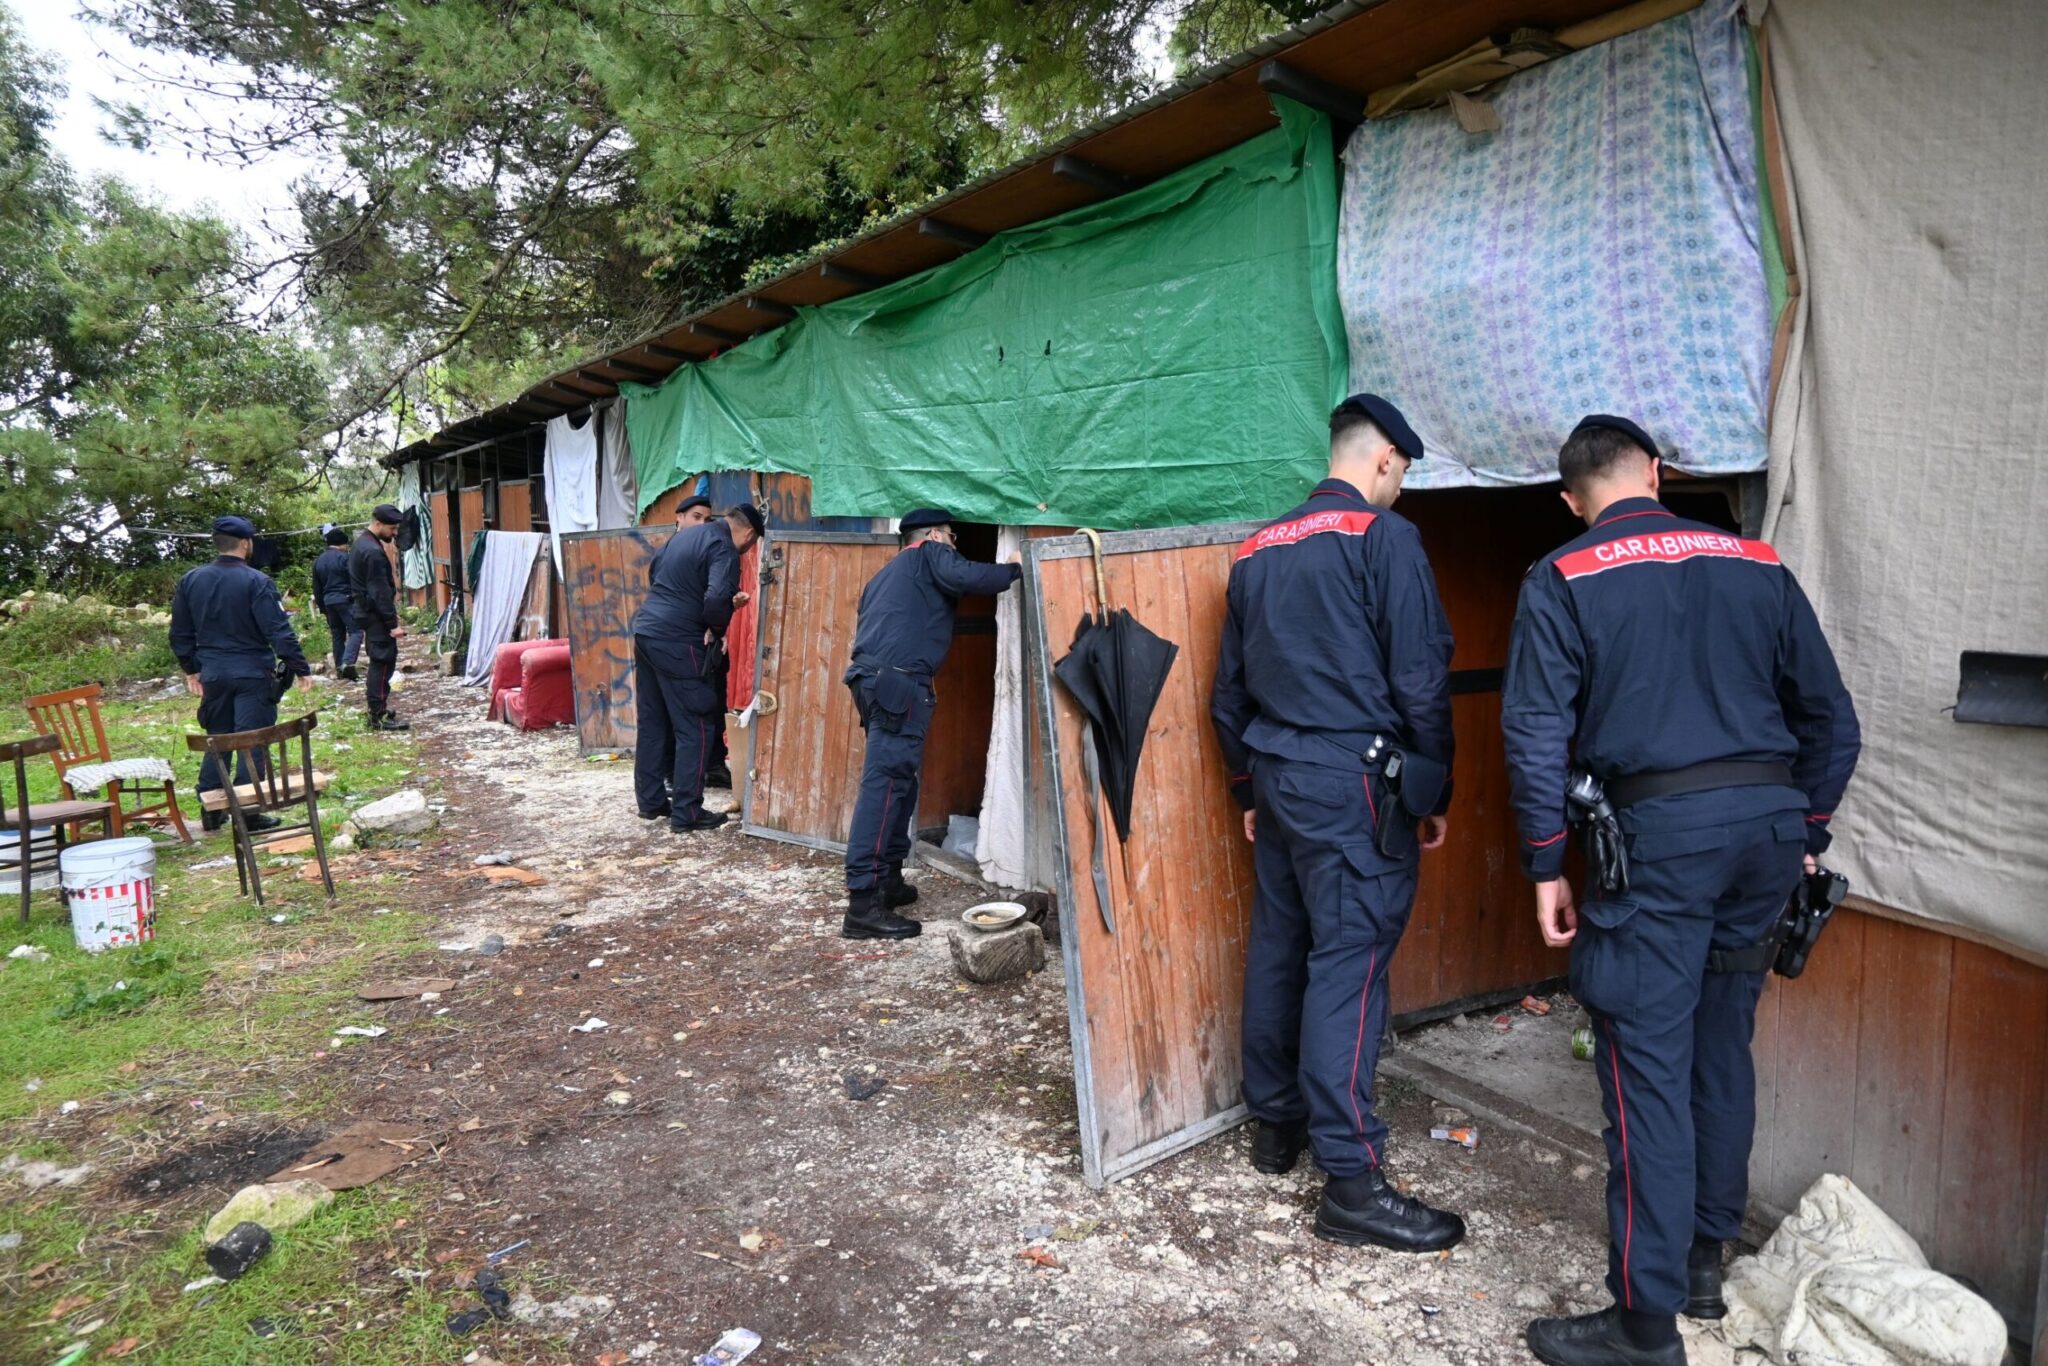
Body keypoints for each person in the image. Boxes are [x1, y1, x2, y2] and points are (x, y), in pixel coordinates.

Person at [1502, 416, 1860, 1366]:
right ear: (1656, 474)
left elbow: (1537, 734)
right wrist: (1806, 832)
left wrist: (1546, 864)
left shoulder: (1565, 574)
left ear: (1571, 499)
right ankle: (1705, 1261)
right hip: (1768, 840)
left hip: (1661, 845)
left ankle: (1645, 1324)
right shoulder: (1757, 562)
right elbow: (1833, 720)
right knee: (1719, 1039)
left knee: (1646, 1066)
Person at [1209, 393, 1463, 1254]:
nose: (1401, 490)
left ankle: (1276, 1128)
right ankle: (1352, 1183)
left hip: (1278, 778)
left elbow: (1228, 696)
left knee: (1284, 945)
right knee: (1348, 966)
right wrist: (1431, 790)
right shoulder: (1383, 540)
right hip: (1354, 781)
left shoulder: (1257, 550)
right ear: (1385, 458)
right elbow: (1422, 677)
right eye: (1404, 474)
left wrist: (1248, 790)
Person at [841, 508, 1020, 941]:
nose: (955, 547)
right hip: (898, 684)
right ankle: (862, 904)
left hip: (876, 682)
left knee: (900, 783)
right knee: (885, 786)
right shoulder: (929, 554)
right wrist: (1020, 565)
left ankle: (887, 880)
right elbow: (977, 579)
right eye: (955, 539)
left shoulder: (886, 575)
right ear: (937, 535)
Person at [168, 515, 314, 832]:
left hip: (213, 674)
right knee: (251, 742)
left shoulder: (191, 580)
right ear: (246, 543)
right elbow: (278, 631)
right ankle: (247, 813)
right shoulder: (256, 582)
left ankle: (211, 808)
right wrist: (300, 667)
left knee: (218, 740)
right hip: (251, 673)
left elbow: (179, 633)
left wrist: (192, 669)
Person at [631, 503, 764, 833]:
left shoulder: (685, 536)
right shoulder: (724, 547)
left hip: (647, 631)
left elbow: (657, 573)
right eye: (752, 544)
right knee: (697, 724)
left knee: (654, 720)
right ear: (748, 534)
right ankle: (688, 812)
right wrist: (716, 629)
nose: (748, 551)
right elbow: (717, 595)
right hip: (679, 641)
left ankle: (651, 802)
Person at [670, 494, 746, 790]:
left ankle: (713, 764)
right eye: (696, 517)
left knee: (714, 698)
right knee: (693, 710)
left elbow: (716, 593)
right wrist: (713, 623)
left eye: (706, 518)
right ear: (679, 517)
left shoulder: (707, 546)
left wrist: (730, 605)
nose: (701, 523)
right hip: (687, 637)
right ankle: (687, 781)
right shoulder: (677, 548)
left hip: (707, 636)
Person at [350, 504, 410, 731]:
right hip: (374, 615)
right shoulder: (373, 552)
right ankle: (378, 716)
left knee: (380, 661)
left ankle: (378, 709)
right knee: (383, 662)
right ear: (378, 524)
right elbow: (379, 592)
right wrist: (392, 624)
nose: (394, 534)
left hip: (367, 612)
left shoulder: (362, 543)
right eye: (392, 528)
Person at [312, 525, 362, 681]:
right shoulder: (345, 557)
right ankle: (347, 663)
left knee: (337, 635)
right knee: (356, 631)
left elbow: (317, 588)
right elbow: (355, 580)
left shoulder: (318, 561)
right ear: (343, 543)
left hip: (328, 602)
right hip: (345, 599)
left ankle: (340, 669)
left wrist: (323, 609)